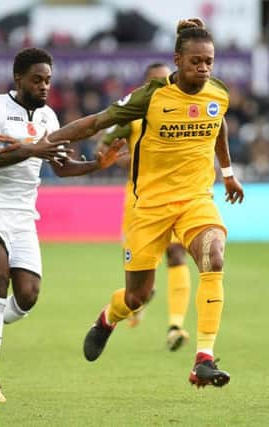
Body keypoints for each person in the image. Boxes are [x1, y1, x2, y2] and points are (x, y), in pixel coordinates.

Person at [36, 17, 244, 388]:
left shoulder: (218, 92)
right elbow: (97, 122)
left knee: (214, 257)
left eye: (209, 61)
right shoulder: (151, 96)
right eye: (196, 61)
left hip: (196, 199)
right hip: (148, 206)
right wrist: (47, 142)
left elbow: (219, 121)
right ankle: (107, 319)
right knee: (138, 296)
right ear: (177, 60)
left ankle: (204, 359)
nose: (203, 68)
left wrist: (226, 172)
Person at [0, 47, 123, 403]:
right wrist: (31, 149)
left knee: (27, 296)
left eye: (48, 80)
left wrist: (98, 164)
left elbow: (62, 167)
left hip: (23, 217)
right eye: (36, 79)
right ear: (18, 78)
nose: (43, 86)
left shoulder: (50, 118)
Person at [99, 62, 192, 352]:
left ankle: (176, 326)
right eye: (157, 81)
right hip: (141, 202)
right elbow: (104, 148)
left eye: (167, 79)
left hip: (178, 197)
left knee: (177, 253)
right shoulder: (132, 115)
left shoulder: (186, 110)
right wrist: (128, 158)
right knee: (140, 285)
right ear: (145, 86)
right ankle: (135, 302)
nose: (165, 85)